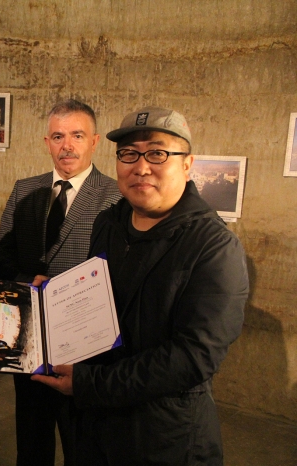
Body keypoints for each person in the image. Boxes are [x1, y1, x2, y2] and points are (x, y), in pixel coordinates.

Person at [33, 106, 249, 465]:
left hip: (163, 434)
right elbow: (104, 300)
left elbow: (194, 357)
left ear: (187, 163)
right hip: (94, 427)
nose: (141, 167)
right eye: (129, 154)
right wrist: (58, 294)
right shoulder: (109, 222)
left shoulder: (213, 246)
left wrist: (90, 384)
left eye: (157, 153)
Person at [0, 99, 121, 466]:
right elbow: (1, 254)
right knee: (31, 443)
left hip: (87, 346)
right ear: (47, 142)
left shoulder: (116, 195)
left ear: (94, 141)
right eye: (58, 136)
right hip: (30, 340)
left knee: (81, 445)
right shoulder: (24, 189)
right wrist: (25, 280)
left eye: (77, 136)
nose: (67, 146)